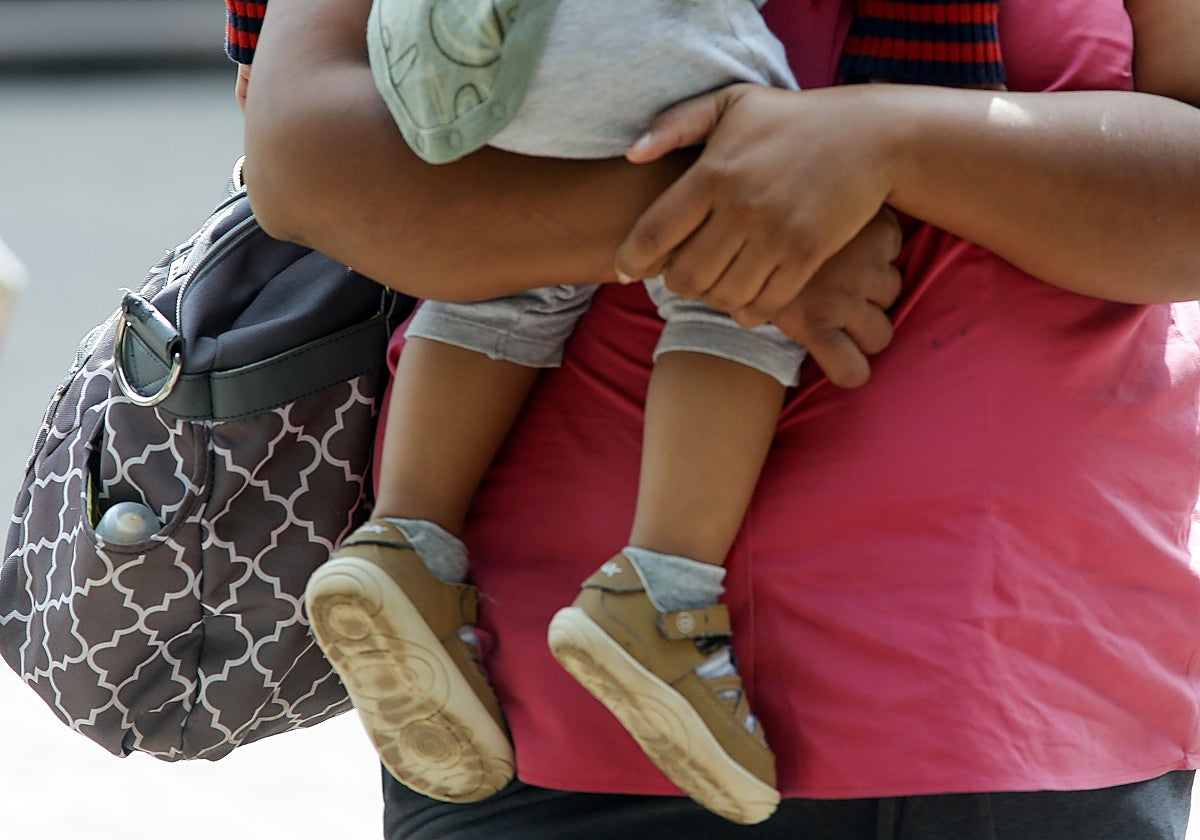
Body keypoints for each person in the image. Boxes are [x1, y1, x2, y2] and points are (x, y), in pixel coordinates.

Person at [235, 0, 1200, 837]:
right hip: (567, 722)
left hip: (1034, 693)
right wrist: (733, 213)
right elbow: (307, 153)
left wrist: (886, 144)